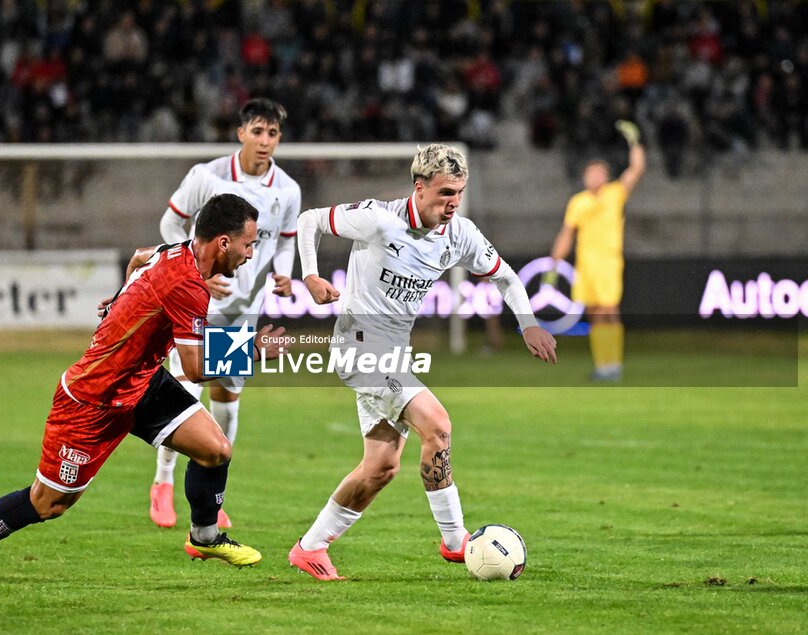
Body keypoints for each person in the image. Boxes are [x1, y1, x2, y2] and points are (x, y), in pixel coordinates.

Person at [0, 194, 287, 593]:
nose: (250, 253)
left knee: (216, 449)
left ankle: (204, 537)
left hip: (143, 383)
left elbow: (139, 257)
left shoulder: (177, 251)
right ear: (223, 242)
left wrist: (121, 300)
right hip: (92, 400)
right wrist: (252, 350)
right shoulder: (187, 284)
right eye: (248, 244)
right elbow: (193, 367)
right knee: (47, 504)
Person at [288, 144, 558, 581]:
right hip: (359, 347)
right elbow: (309, 220)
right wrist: (310, 275)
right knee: (438, 424)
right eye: (446, 192)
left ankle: (310, 547)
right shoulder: (379, 218)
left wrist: (528, 324)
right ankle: (457, 544)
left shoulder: (460, 233)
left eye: (460, 192)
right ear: (419, 187)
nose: (453, 202)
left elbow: (506, 276)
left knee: (381, 468)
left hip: (394, 353)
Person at [149, 98, 301, 529]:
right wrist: (194, 274)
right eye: (258, 131)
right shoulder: (206, 176)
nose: (265, 141)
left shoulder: (287, 190)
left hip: (243, 311)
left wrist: (284, 275)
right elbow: (169, 225)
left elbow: (285, 241)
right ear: (241, 134)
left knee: (227, 402)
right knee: (185, 394)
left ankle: (213, 495)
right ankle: (162, 483)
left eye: (272, 133)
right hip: (198, 304)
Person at [544, 120, 646, 381]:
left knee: (610, 310)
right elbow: (567, 234)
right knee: (595, 313)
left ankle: (615, 365)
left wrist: (634, 142)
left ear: (606, 175)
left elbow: (636, 168)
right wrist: (554, 263)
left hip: (609, 262)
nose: (594, 177)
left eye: (599, 172)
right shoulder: (578, 202)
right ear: (584, 177)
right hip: (586, 263)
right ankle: (603, 366)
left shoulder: (615, 193)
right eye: (591, 173)